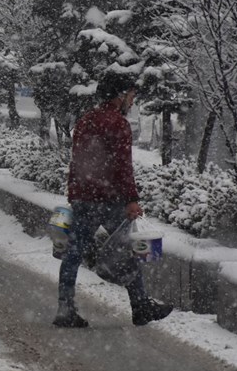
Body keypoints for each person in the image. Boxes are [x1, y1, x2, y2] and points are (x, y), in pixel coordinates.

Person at [53, 69, 174, 328]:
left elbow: (77, 160)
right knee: (128, 249)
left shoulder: (86, 120)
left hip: (84, 197)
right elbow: (122, 166)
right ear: (120, 96)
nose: (132, 101)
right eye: (131, 95)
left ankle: (65, 307)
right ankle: (140, 305)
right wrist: (131, 199)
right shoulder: (118, 124)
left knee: (73, 253)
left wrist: (74, 194)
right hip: (108, 199)